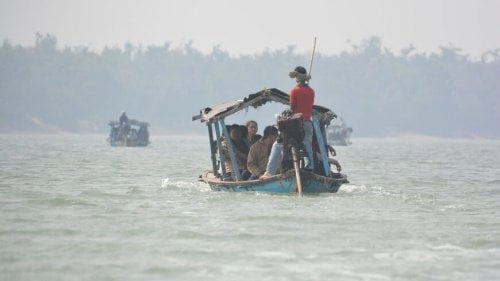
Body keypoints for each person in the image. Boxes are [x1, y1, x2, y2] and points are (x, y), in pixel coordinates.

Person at [288, 66, 315, 170]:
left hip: (297, 123)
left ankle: (291, 167)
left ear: (296, 77)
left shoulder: (294, 91)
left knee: (288, 144)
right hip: (308, 122)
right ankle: (310, 165)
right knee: (307, 144)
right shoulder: (311, 91)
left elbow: (292, 107)